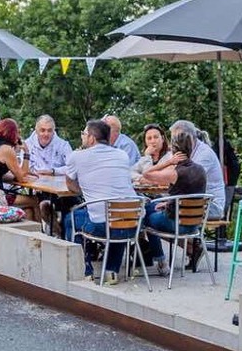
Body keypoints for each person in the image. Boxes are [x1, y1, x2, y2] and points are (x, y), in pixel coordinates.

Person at [61, 119, 138, 284]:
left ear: (91, 138)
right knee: (118, 216)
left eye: (84, 133)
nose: (82, 137)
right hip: (133, 224)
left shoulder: (77, 156)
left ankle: (85, 270)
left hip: (101, 225)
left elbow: (70, 184)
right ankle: (111, 271)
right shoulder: (122, 155)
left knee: (70, 219)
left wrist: (87, 191)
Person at [138, 130, 208, 274]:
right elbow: (187, 195)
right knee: (152, 207)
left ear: (174, 150)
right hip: (195, 224)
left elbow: (147, 174)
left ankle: (161, 261)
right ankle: (187, 249)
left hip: (177, 223)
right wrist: (168, 203)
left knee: (145, 215)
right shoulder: (201, 170)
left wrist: (169, 162)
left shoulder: (174, 173)